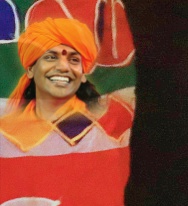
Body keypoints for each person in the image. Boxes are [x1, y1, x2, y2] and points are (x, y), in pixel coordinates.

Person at [0, 15, 132, 151]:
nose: (63, 67)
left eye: (74, 60)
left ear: (83, 75)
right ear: (31, 70)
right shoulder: (6, 130)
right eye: (51, 57)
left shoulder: (103, 129)